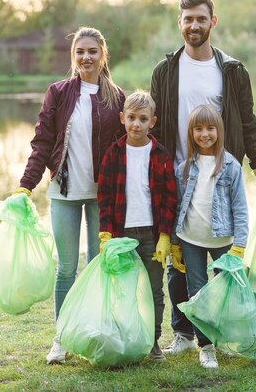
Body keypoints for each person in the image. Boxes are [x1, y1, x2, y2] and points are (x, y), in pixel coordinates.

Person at [149, 0, 256, 358]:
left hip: (221, 177)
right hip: (177, 178)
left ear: (213, 22)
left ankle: (225, 335)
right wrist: (155, 176)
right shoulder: (166, 71)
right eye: (187, 20)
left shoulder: (232, 70)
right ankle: (184, 334)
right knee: (180, 263)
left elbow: (247, 122)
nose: (194, 26)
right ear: (179, 23)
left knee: (226, 266)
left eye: (200, 19)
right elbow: (155, 131)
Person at [12, 27, 125, 364]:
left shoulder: (116, 98)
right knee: (66, 269)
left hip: (101, 197)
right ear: (73, 56)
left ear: (103, 54)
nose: (86, 57)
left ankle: (91, 333)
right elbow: (43, 142)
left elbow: (128, 147)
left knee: (97, 266)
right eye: (80, 52)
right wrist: (25, 185)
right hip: (63, 192)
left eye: (92, 51)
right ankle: (60, 338)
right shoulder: (58, 93)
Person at [173, 105, 256, 369]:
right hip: (191, 240)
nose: (205, 134)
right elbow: (178, 207)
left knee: (239, 294)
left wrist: (239, 245)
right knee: (198, 294)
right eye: (198, 129)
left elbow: (240, 209)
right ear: (191, 133)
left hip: (224, 243)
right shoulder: (184, 168)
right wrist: (175, 244)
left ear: (219, 131)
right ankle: (207, 347)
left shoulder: (231, 166)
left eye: (210, 128)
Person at [97, 91, 177, 362]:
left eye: (143, 119)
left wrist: (165, 236)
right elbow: (105, 197)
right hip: (122, 235)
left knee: (154, 291)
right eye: (131, 118)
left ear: (152, 122)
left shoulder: (161, 155)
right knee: (124, 290)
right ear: (122, 118)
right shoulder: (113, 154)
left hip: (152, 235)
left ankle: (152, 342)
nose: (136, 124)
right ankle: (127, 339)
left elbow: (169, 199)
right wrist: (106, 234)